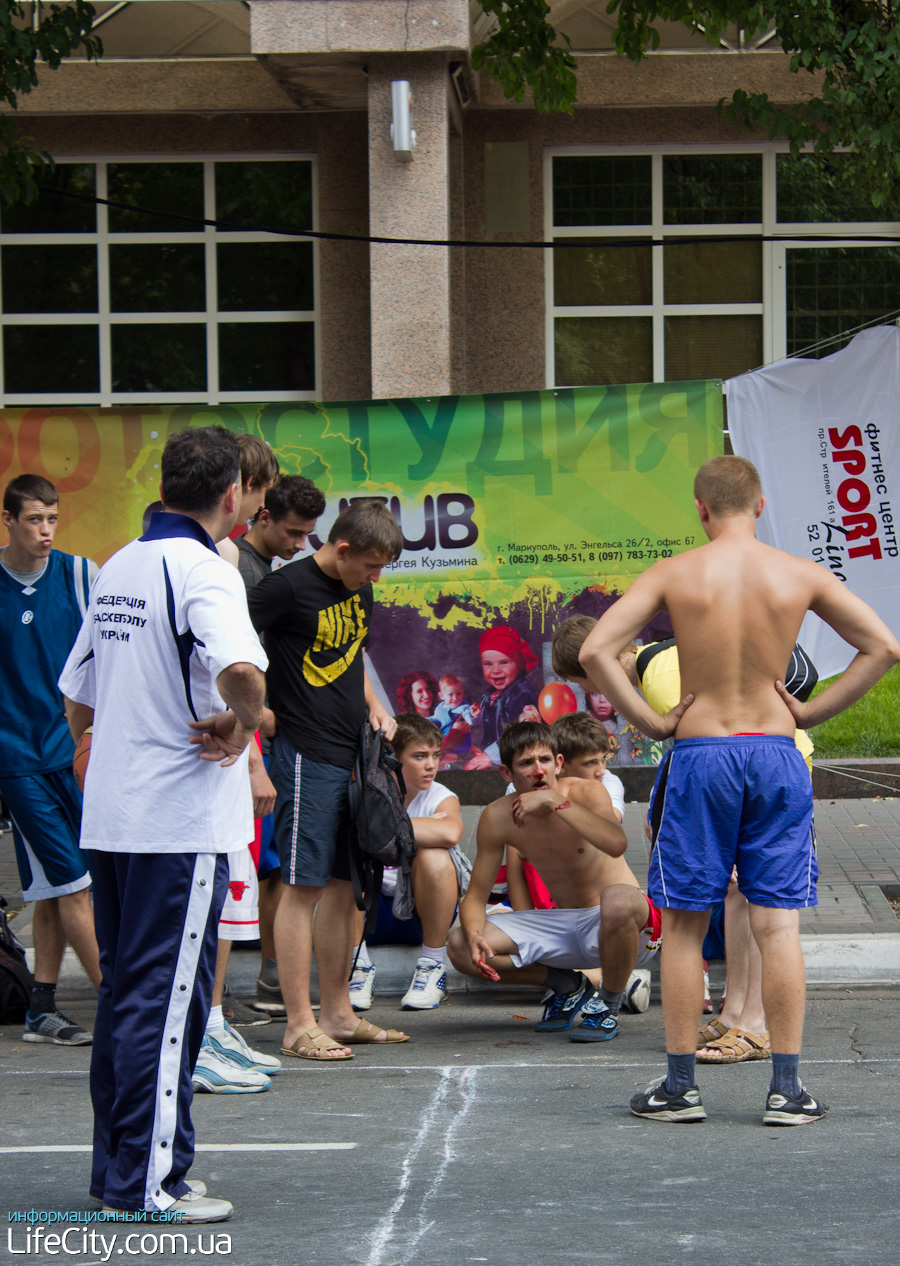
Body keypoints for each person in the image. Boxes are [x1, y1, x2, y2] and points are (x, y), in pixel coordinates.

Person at [578, 454, 900, 1125]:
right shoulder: (798, 574)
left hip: (700, 753)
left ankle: (678, 1089)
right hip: (776, 752)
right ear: (759, 506)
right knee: (777, 924)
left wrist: (650, 721)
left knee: (688, 926)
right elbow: (883, 647)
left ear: (700, 509)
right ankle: (787, 1090)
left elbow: (594, 652)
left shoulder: (676, 573)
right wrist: (811, 712)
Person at [59, 426, 268, 1221]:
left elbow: (76, 689)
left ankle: (120, 1172)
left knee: (126, 997)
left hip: (115, 812)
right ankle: (146, 1184)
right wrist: (247, 723)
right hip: (175, 822)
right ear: (229, 496)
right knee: (164, 1001)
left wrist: (101, 745)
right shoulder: (204, 569)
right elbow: (242, 672)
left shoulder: (123, 562)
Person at [248, 499, 408, 1060]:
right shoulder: (283, 589)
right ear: (341, 549)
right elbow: (229, 653)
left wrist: (377, 708)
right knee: (303, 887)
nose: (375, 578)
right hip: (303, 753)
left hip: (354, 755)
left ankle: (338, 1014)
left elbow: (353, 653)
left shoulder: (357, 587)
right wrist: (256, 720)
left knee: (347, 889)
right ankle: (297, 1024)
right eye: (369, 565)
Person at [448, 722, 661, 1043]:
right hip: (565, 929)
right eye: (526, 763)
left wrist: (555, 802)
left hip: (625, 929)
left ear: (558, 763)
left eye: (544, 760)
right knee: (461, 945)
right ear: (506, 773)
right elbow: (476, 896)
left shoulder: (587, 792)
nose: (538, 770)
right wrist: (476, 933)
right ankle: (567, 984)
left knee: (619, 897)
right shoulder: (497, 816)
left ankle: (609, 1004)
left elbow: (616, 843)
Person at [192, 433, 281, 1094]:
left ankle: (212, 1019)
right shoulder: (215, 563)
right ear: (241, 489)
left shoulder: (211, 559)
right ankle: (201, 1029)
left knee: (224, 898)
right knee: (210, 899)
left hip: (221, 761)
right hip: (212, 762)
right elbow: (238, 677)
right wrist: (251, 755)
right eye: (262, 491)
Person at [0, 474, 101, 1046]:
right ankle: (120, 1007)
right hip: (16, 758)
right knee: (74, 886)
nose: (45, 530)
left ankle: (40, 1009)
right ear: (9, 520)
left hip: (76, 752)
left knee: (50, 883)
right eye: (34, 519)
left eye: (52, 519)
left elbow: (106, 654)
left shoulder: (81, 574)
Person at [234, 473, 326, 1014]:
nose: (299, 545)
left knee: (273, 865)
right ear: (261, 514)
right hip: (254, 737)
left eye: (307, 536)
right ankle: (234, 992)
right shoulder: (238, 568)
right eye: (292, 533)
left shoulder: (267, 567)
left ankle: (273, 976)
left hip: (272, 734)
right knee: (260, 867)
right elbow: (225, 658)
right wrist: (256, 722)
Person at [349, 714, 468, 1011]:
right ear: (392, 759)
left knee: (435, 855)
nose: (431, 765)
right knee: (346, 859)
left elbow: (450, 832)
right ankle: (356, 968)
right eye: (419, 756)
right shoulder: (366, 792)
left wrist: (382, 827)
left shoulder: (440, 796)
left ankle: (432, 968)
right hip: (366, 917)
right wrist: (421, 826)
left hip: (418, 916)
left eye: (435, 755)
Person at [465, 627, 541, 769]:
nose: (496, 670)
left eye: (503, 662)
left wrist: (489, 756)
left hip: (515, 757)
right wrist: (476, 716)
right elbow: (488, 722)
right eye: (488, 664)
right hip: (494, 754)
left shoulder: (521, 693)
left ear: (519, 664)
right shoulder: (490, 693)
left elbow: (519, 734)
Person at [427, 673, 481, 764]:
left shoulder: (463, 707)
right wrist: (425, 721)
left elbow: (471, 721)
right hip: (445, 741)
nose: (455, 698)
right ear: (441, 696)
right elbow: (436, 719)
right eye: (450, 694)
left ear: (462, 693)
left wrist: (473, 716)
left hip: (460, 744)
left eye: (458, 693)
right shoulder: (441, 707)